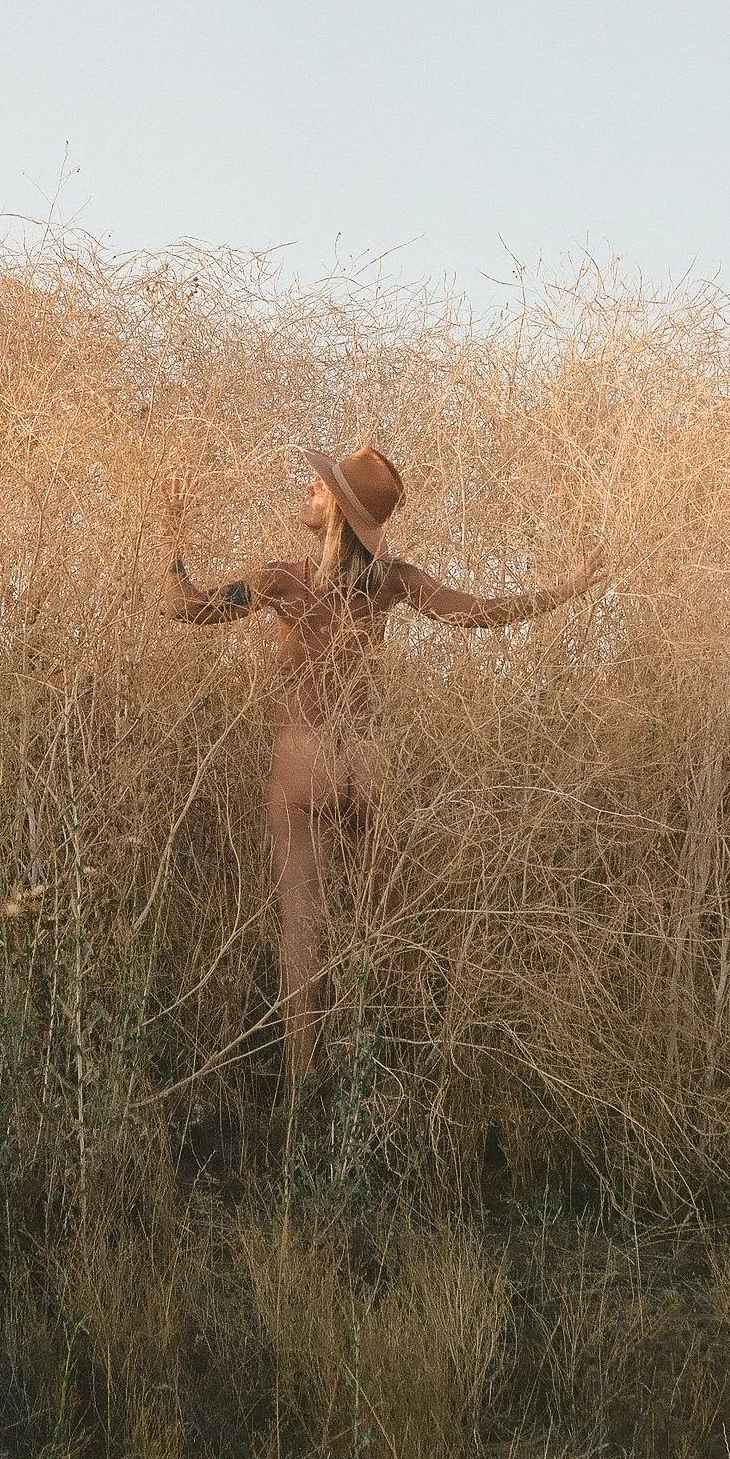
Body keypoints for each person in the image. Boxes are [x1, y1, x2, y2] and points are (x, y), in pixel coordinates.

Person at [160, 444, 607, 1086]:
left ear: (339, 513)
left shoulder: (280, 578)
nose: (308, 491)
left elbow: (186, 608)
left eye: (319, 488)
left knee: (301, 931)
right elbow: (484, 613)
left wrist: (173, 533)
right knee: (388, 920)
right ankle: (401, 1072)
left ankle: (299, 1086)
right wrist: (571, 586)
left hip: (303, 763)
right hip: (365, 767)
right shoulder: (396, 581)